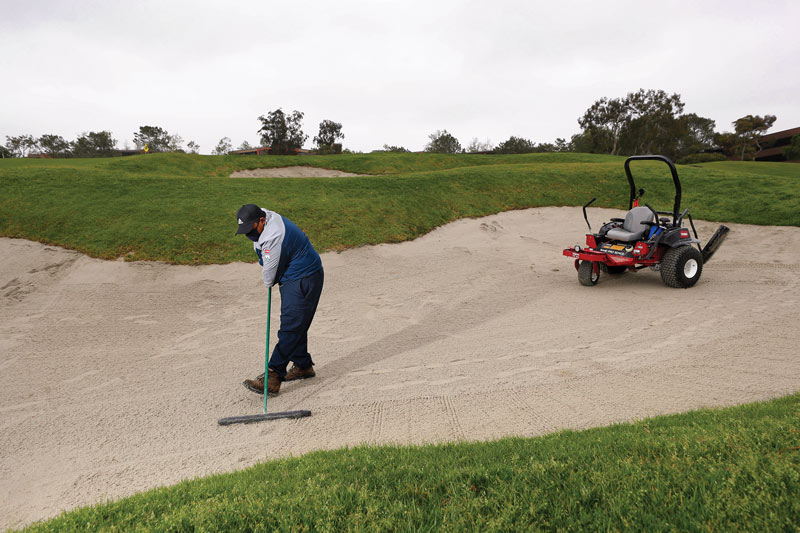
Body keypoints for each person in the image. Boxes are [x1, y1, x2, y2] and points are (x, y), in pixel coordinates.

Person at [235, 203, 324, 395]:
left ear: (261, 220)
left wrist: (268, 282)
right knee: (294, 322)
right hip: (292, 275)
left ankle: (273, 375)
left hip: (304, 277)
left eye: (251, 228)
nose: (248, 233)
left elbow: (269, 274)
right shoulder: (263, 218)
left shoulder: (273, 234)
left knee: (291, 325)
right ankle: (303, 365)